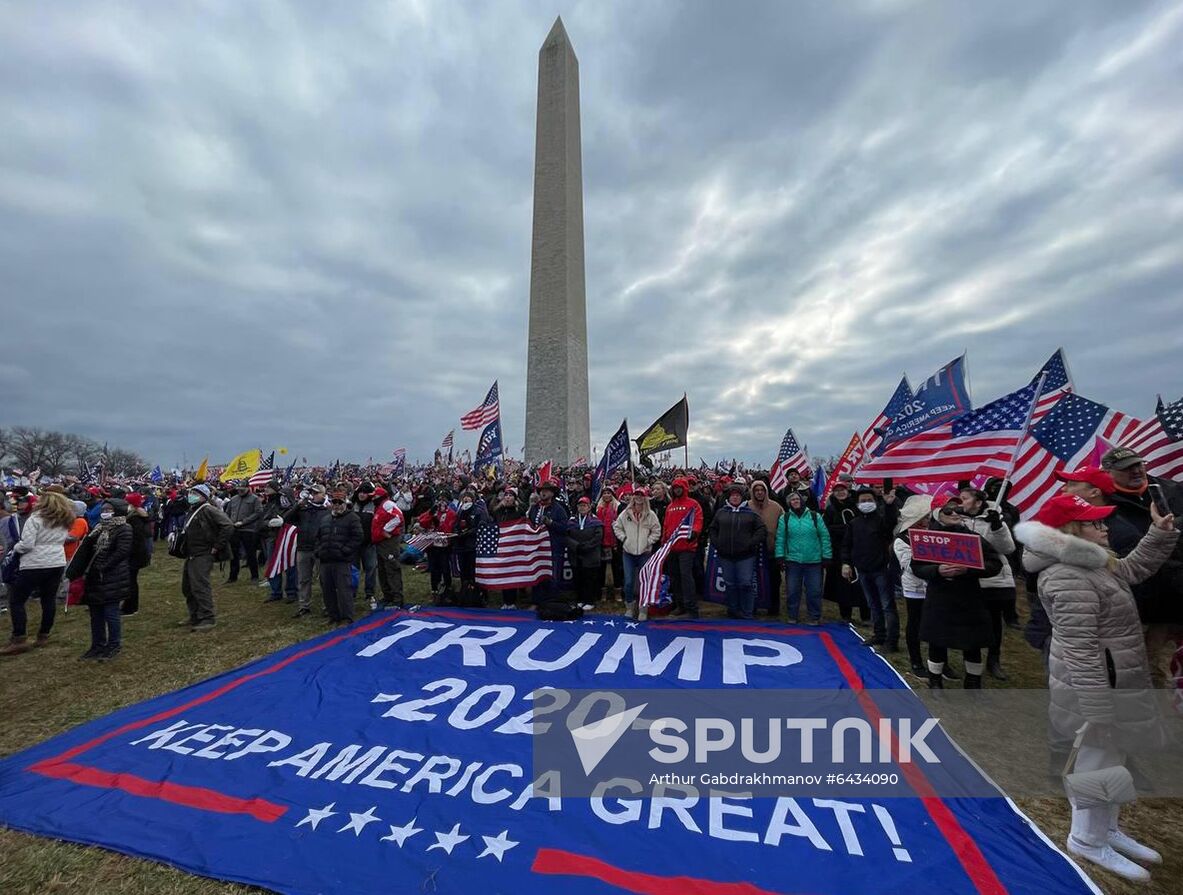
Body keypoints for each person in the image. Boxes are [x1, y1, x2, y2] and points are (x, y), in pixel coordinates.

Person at [1016, 493, 1178, 882]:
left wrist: (1158, 534)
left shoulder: (1092, 562)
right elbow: (1080, 651)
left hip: (1116, 680)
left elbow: (1132, 570)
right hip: (1095, 688)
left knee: (1112, 756)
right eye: (1094, 522)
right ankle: (1086, 838)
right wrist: (1096, 708)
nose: (1104, 527)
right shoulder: (1067, 576)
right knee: (1095, 761)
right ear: (1071, 531)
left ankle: (1106, 828)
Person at [1101, 446, 1183, 687]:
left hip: (1179, 594)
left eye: (1138, 464)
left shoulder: (1172, 490)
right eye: (1127, 468)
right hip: (1144, 603)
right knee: (1147, 670)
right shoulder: (1106, 504)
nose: (1136, 470)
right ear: (1108, 472)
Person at [912, 498, 1002, 689]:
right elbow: (917, 567)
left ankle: (973, 681)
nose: (954, 513)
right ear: (938, 514)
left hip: (968, 598)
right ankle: (935, 680)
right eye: (948, 510)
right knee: (937, 640)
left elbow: (995, 564)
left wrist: (969, 570)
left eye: (957, 509)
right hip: (940, 597)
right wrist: (937, 571)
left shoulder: (974, 538)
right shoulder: (927, 538)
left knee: (972, 642)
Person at [1, 491, 74, 655]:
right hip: (56, 562)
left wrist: (15, 549)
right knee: (48, 599)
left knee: (17, 600)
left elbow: (27, 544)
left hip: (34, 563)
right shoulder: (64, 520)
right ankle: (44, 635)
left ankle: (19, 637)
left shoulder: (35, 519)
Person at [958, 486, 1018, 680]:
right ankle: (971, 659)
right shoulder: (959, 519)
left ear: (977, 502)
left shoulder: (994, 518)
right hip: (968, 578)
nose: (961, 502)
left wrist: (997, 528)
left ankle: (994, 660)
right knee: (969, 621)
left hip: (993, 579)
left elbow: (1008, 548)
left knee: (994, 623)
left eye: (965, 498)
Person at [842, 485, 900, 651]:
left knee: (887, 605)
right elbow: (847, 545)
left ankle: (892, 640)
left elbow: (891, 524)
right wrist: (846, 562)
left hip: (881, 569)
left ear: (875, 502)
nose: (866, 503)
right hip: (863, 570)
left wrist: (889, 505)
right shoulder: (854, 523)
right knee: (872, 604)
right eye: (863, 501)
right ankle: (879, 634)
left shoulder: (881, 520)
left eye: (869, 500)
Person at [76, 499, 133, 660]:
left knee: (111, 612)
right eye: (103, 509)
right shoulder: (99, 528)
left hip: (112, 576)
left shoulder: (124, 528)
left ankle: (114, 644)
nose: (104, 512)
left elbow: (122, 551)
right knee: (96, 613)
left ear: (118, 511)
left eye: (109, 509)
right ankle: (97, 645)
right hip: (94, 575)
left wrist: (104, 565)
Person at [178, 484, 233, 632]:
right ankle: (195, 614)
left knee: (200, 586)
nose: (191, 495)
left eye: (194, 493)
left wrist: (217, 546)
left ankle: (207, 617)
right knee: (188, 587)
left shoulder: (208, 509)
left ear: (203, 495)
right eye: (190, 492)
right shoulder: (193, 510)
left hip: (203, 553)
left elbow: (227, 525)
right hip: (192, 552)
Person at [710, 481, 767, 620]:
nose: (735, 498)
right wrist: (717, 543)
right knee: (730, 585)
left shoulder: (751, 513)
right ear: (728, 498)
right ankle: (733, 611)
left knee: (745, 584)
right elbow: (712, 529)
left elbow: (761, 530)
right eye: (732, 495)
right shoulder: (721, 512)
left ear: (742, 497)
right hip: (725, 556)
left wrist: (751, 543)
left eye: (737, 495)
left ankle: (748, 612)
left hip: (745, 557)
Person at [775, 490, 830, 624]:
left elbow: (824, 537)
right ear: (789, 503)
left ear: (802, 501)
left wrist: (827, 555)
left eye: (797, 499)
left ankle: (814, 616)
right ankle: (792, 615)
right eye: (792, 500)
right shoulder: (785, 518)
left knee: (814, 591)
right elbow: (781, 538)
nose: (795, 502)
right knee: (792, 590)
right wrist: (780, 556)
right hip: (793, 561)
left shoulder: (815, 516)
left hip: (814, 560)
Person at [892, 495, 932, 674]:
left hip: (934, 585)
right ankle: (916, 660)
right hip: (914, 587)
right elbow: (909, 566)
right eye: (922, 518)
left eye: (928, 517)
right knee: (915, 622)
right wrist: (922, 546)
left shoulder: (935, 534)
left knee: (935, 623)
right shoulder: (902, 539)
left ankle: (939, 661)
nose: (926, 521)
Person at [314, 487, 365, 624]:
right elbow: (318, 537)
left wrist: (345, 550)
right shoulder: (325, 518)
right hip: (325, 560)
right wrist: (319, 550)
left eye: (339, 502)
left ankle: (347, 617)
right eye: (334, 502)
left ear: (345, 503)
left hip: (342, 561)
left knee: (344, 590)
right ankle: (333, 616)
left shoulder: (352, 518)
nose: (336, 505)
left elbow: (358, 537)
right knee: (327, 590)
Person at [823, 479, 869, 624]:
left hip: (859, 548)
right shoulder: (830, 508)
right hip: (839, 550)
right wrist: (844, 529)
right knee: (843, 583)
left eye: (842, 490)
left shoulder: (857, 505)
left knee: (862, 582)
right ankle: (845, 615)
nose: (840, 493)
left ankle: (866, 615)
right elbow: (827, 528)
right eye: (837, 491)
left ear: (847, 491)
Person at [613, 487, 661, 620]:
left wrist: (649, 541)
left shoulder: (650, 514)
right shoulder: (625, 513)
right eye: (636, 495)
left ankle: (643, 609)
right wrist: (624, 539)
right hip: (628, 552)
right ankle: (629, 606)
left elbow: (656, 530)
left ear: (645, 497)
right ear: (633, 497)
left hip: (644, 553)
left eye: (641, 495)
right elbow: (617, 526)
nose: (638, 497)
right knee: (628, 582)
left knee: (644, 582)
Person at [284, 484, 330, 618]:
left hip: (320, 548)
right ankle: (304, 605)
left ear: (323, 494)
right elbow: (286, 519)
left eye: (316, 493)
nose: (313, 496)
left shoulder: (327, 510)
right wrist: (297, 506)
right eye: (312, 493)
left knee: (324, 578)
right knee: (304, 579)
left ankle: (327, 605)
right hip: (303, 547)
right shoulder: (303, 509)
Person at [662, 477, 703, 618]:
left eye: (679, 487)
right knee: (675, 578)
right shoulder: (670, 506)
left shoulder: (693, 504)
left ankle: (691, 608)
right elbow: (666, 526)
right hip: (672, 548)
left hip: (687, 547)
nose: (677, 490)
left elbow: (698, 520)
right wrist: (664, 543)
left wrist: (695, 533)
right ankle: (680, 605)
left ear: (685, 488)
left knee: (686, 577)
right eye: (675, 487)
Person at [527, 481, 569, 602]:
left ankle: (552, 604)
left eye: (546, 490)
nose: (543, 492)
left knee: (554, 577)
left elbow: (564, 528)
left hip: (554, 547)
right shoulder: (534, 508)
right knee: (538, 576)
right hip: (537, 548)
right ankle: (537, 601)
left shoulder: (559, 509)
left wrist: (551, 523)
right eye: (541, 491)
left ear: (552, 493)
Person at [748, 480, 784, 616]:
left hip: (771, 551)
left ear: (766, 491)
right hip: (753, 552)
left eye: (761, 490)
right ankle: (753, 606)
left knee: (774, 581)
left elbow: (783, 528)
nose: (759, 492)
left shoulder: (776, 507)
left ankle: (773, 608)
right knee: (753, 581)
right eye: (756, 490)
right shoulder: (747, 506)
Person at [259, 482, 297, 603]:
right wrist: (268, 524)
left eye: (269, 487)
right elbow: (262, 519)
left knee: (290, 564)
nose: (266, 489)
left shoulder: (286, 501)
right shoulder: (269, 503)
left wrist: (283, 522)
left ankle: (291, 591)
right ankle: (275, 591)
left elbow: (294, 516)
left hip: (286, 536)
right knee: (272, 564)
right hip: (272, 536)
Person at [452, 488, 489, 605]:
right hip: (461, 547)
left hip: (473, 546)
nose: (465, 499)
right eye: (464, 498)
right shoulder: (460, 512)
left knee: (473, 571)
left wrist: (468, 533)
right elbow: (456, 525)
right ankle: (465, 593)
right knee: (464, 571)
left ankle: (477, 594)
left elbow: (482, 526)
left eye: (468, 497)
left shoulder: (479, 511)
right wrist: (457, 532)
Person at [371, 486, 406, 608]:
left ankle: (397, 598)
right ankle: (388, 595)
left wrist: (386, 530)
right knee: (382, 570)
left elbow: (398, 517)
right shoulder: (381, 506)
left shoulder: (387, 504)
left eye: (374, 496)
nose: (373, 498)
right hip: (380, 542)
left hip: (388, 542)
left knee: (391, 569)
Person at [567, 496, 604, 612]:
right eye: (580, 505)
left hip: (590, 554)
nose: (582, 508)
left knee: (589, 578)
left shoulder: (595, 521)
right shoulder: (572, 520)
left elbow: (598, 536)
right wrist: (576, 546)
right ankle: (580, 599)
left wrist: (587, 546)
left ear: (589, 507)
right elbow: (566, 536)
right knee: (578, 578)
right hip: (576, 554)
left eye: (584, 505)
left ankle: (589, 600)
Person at [224, 480, 262, 582]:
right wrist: (229, 522)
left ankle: (254, 576)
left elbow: (258, 513)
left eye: (242, 489)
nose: (240, 491)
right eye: (239, 489)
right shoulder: (233, 499)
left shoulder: (255, 499)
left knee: (250, 553)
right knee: (234, 554)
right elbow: (227, 512)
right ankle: (233, 577)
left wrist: (244, 522)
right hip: (234, 529)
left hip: (248, 530)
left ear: (247, 488)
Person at [419, 497, 456, 599]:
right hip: (432, 544)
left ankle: (447, 586)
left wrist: (438, 522)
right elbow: (422, 522)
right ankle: (434, 587)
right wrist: (431, 515)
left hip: (444, 545)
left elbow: (448, 529)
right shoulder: (433, 511)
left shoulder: (451, 513)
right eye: (440, 501)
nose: (441, 503)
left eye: (444, 501)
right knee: (433, 567)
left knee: (445, 566)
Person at [121, 492, 152, 615]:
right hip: (136, 554)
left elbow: (136, 540)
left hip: (134, 555)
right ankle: (128, 605)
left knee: (130, 581)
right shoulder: (137, 517)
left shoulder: (135, 520)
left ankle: (130, 607)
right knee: (130, 580)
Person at [353, 482, 380, 607]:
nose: (362, 495)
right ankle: (352, 591)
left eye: (365, 492)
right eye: (360, 492)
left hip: (369, 543)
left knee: (370, 568)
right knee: (353, 569)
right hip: (354, 544)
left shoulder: (374, 505)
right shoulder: (352, 504)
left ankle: (369, 592)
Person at [596, 487, 623, 601]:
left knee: (616, 568)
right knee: (601, 569)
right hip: (602, 543)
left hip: (615, 542)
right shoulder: (598, 508)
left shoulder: (618, 507)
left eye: (609, 493)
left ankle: (617, 592)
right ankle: (603, 592)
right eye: (604, 493)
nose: (606, 495)